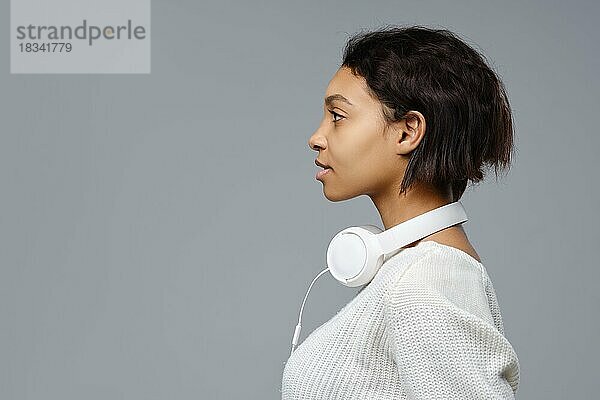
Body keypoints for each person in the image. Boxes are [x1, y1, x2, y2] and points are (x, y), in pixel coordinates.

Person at [281, 25, 520, 399]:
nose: (317, 136)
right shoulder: (412, 271)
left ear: (408, 132)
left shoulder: (429, 279)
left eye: (338, 116)